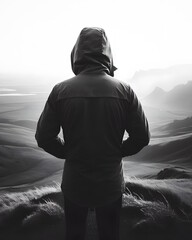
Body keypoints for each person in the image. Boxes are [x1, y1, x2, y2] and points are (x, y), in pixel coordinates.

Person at [35, 27, 150, 240]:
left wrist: (68, 152)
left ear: (76, 53)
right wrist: (116, 151)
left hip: (75, 182)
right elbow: (142, 136)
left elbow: (44, 137)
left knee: (75, 234)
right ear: (108, 54)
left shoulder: (60, 91)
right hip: (110, 183)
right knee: (109, 235)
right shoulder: (125, 91)